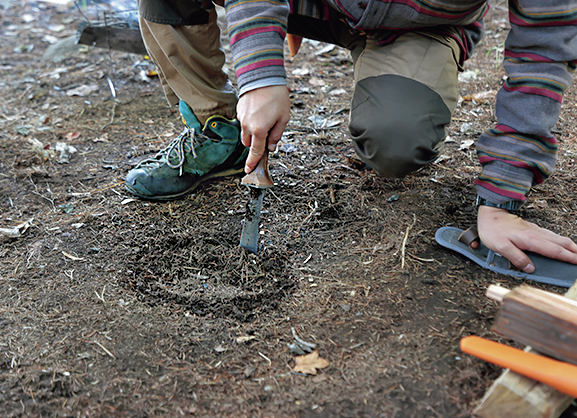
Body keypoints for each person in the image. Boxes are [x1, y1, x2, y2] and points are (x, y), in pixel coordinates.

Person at [125, 0, 577, 273]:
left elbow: (541, 57)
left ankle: (392, 78)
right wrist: (259, 71)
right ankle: (221, 132)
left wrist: (501, 201)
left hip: (419, 28)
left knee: (397, 141)